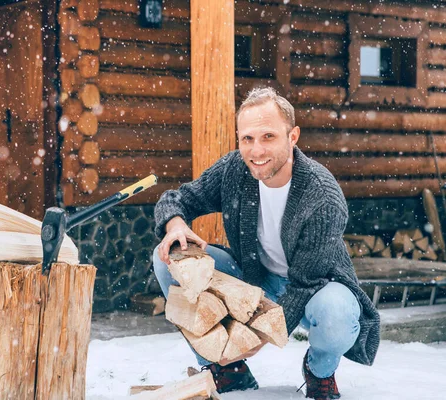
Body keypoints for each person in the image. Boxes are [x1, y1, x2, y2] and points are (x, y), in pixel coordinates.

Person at [152, 87, 380, 399]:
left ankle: (319, 370)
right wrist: (175, 224)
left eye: (268, 136)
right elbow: (178, 198)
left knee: (337, 315)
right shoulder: (235, 169)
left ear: (293, 136)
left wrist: (250, 336)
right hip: (254, 278)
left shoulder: (322, 196)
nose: (256, 150)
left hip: (315, 288)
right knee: (168, 258)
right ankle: (226, 369)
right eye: (247, 139)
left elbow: (303, 286)